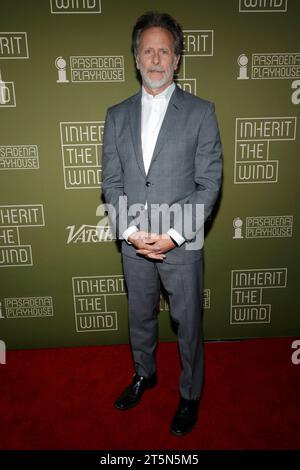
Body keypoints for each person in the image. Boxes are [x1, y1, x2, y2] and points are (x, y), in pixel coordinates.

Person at [102, 11, 222, 436]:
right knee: (140, 316)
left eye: (164, 50)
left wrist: (171, 237)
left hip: (182, 244)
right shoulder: (115, 115)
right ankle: (144, 373)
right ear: (136, 58)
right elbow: (111, 182)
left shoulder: (201, 112)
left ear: (177, 59)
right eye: (147, 50)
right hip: (133, 242)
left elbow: (209, 184)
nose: (155, 58)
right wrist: (132, 232)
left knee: (188, 323)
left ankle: (190, 394)